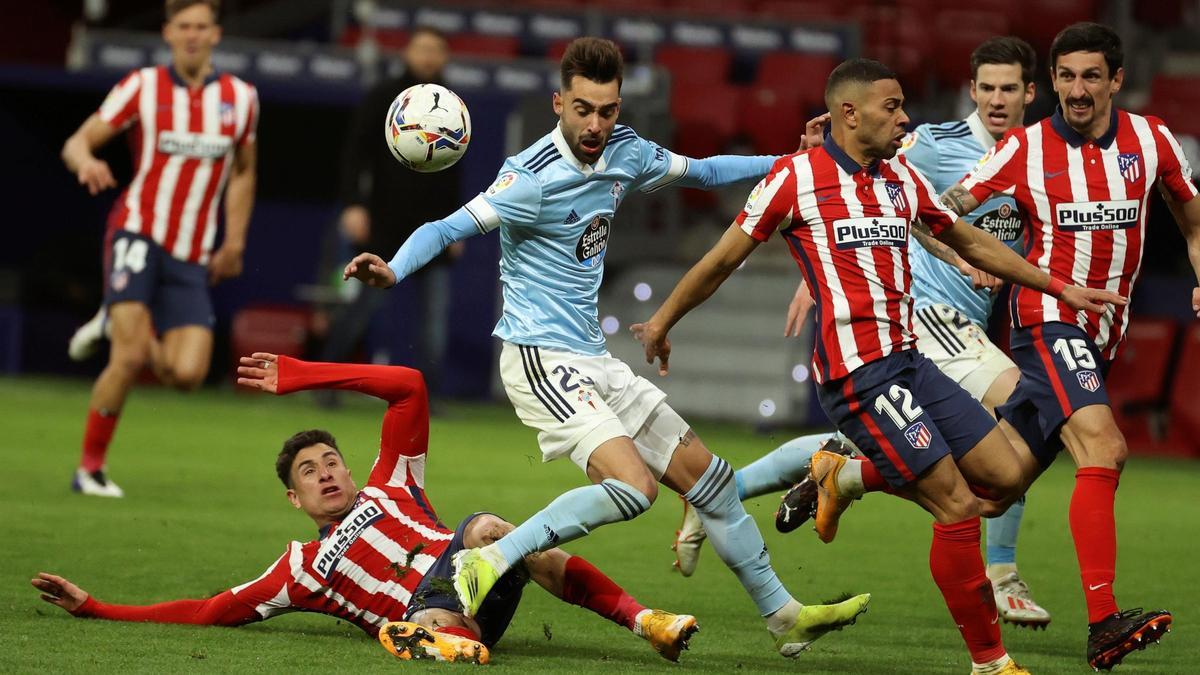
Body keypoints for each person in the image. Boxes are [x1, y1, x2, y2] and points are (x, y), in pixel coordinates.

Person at [344, 37, 871, 657]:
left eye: (608, 110)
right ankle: (484, 562)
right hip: (538, 357)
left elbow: (703, 170)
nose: (596, 124)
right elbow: (446, 226)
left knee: (712, 483)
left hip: (593, 357)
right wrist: (395, 269)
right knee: (636, 489)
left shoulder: (626, 152)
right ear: (558, 103)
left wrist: (793, 161)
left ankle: (785, 617)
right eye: (584, 109)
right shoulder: (528, 177)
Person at [633, 58, 1124, 675]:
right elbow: (720, 259)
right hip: (858, 376)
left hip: (912, 364)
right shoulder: (794, 179)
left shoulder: (899, 181)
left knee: (1002, 480)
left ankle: (841, 475)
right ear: (848, 113)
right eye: (891, 106)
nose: (903, 117)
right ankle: (992, 664)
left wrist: (1058, 286)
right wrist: (662, 321)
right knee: (957, 506)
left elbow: (968, 239)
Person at [31, 353, 699, 665]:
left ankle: (648, 621)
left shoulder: (393, 483)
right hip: (433, 612)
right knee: (441, 619)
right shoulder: (300, 569)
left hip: (463, 565)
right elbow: (209, 609)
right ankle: (436, 638)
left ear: (349, 469)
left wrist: (302, 373)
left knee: (499, 531)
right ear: (293, 499)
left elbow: (406, 386)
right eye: (307, 473)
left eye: (329, 461)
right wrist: (96, 607)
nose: (324, 473)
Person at [937, 22, 1199, 671]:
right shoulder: (1024, 147)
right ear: (1050, 81)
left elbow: (1191, 218)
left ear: (1115, 80)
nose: (1076, 91)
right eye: (1065, 77)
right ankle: (1105, 621)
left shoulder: (1151, 139)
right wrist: (964, 250)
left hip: (1100, 336)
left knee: (991, 489)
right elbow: (944, 208)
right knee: (1104, 445)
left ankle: (850, 474)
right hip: (1049, 319)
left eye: (1090, 77)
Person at [61, 0, 258, 497]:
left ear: (215, 34)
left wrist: (233, 241)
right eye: (183, 26)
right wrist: (85, 161)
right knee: (127, 359)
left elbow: (243, 172)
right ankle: (89, 470)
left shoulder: (241, 97)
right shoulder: (142, 87)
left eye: (201, 26)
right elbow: (77, 142)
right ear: (168, 32)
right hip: (137, 233)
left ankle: (113, 317)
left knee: (187, 373)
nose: (192, 35)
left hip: (192, 251)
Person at [318, 26, 463, 403]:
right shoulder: (385, 97)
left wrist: (459, 226)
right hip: (384, 224)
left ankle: (427, 399)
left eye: (436, 49)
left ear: (445, 57)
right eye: (421, 48)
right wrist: (353, 204)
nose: (428, 56)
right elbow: (355, 154)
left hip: (436, 230)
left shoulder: (453, 106)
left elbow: (456, 172)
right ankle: (328, 386)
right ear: (406, 53)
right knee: (361, 310)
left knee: (434, 323)